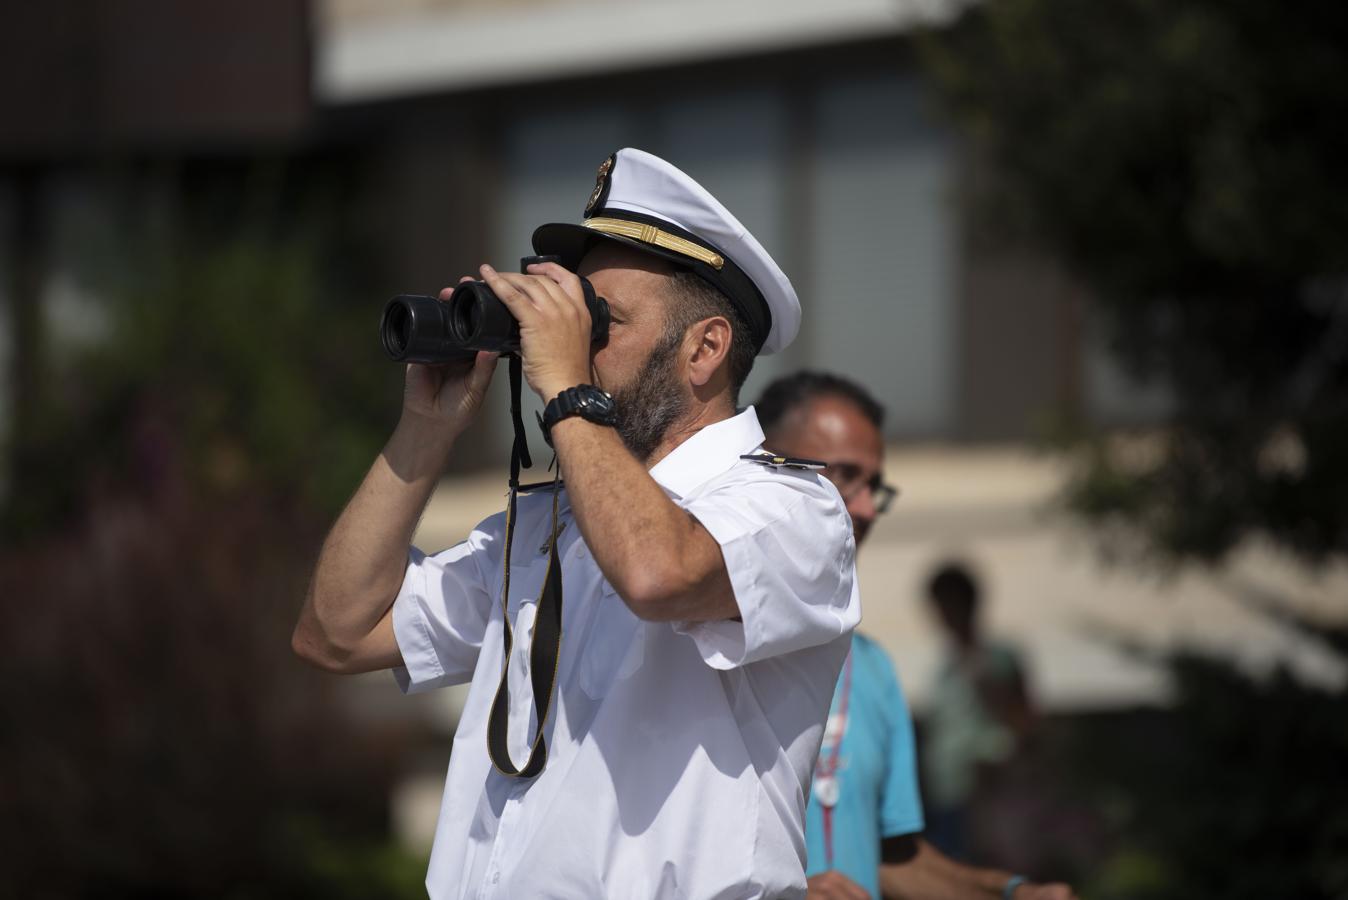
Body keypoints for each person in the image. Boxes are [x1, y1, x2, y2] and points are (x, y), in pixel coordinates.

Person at [291, 149, 861, 899]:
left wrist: (565, 388)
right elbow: (334, 631)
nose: (570, 345)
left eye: (602, 322)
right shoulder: (542, 529)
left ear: (706, 348)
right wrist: (424, 432)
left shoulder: (794, 509)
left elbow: (657, 573)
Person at [755, 372, 1073, 900]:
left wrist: (1012, 893)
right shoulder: (678, 644)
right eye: (845, 476)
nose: (864, 509)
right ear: (766, 467)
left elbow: (892, 859)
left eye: (874, 486)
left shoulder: (874, 668)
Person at [922, 562, 1034, 864]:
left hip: (986, 794)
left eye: (947, 602)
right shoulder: (946, 665)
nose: (942, 614)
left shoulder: (998, 657)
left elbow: (1022, 719)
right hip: (947, 794)